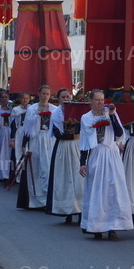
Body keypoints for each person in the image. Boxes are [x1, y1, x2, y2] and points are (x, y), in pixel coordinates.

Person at [79, 90, 133, 240]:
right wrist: (82, 163)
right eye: (97, 100)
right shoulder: (86, 118)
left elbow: (119, 133)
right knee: (98, 191)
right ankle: (96, 226)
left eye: (102, 100)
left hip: (112, 154)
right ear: (90, 101)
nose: (100, 103)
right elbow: (85, 142)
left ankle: (113, 226)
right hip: (97, 154)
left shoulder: (110, 114)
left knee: (113, 190)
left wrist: (112, 116)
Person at [46, 88, 83, 223]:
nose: (66, 99)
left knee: (79, 179)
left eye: (68, 96)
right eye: (63, 97)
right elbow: (58, 133)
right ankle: (67, 210)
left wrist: (78, 137)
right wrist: (74, 135)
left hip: (77, 148)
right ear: (58, 99)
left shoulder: (77, 111)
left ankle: (80, 210)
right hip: (63, 148)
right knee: (65, 179)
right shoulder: (56, 114)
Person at [18, 85, 57, 210]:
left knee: (47, 169)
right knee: (36, 169)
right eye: (43, 93)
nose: (45, 96)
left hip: (49, 140)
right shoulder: (32, 109)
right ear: (39, 94)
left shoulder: (54, 109)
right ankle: (36, 200)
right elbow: (27, 129)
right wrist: (24, 145)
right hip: (36, 139)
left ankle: (47, 200)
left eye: (47, 94)